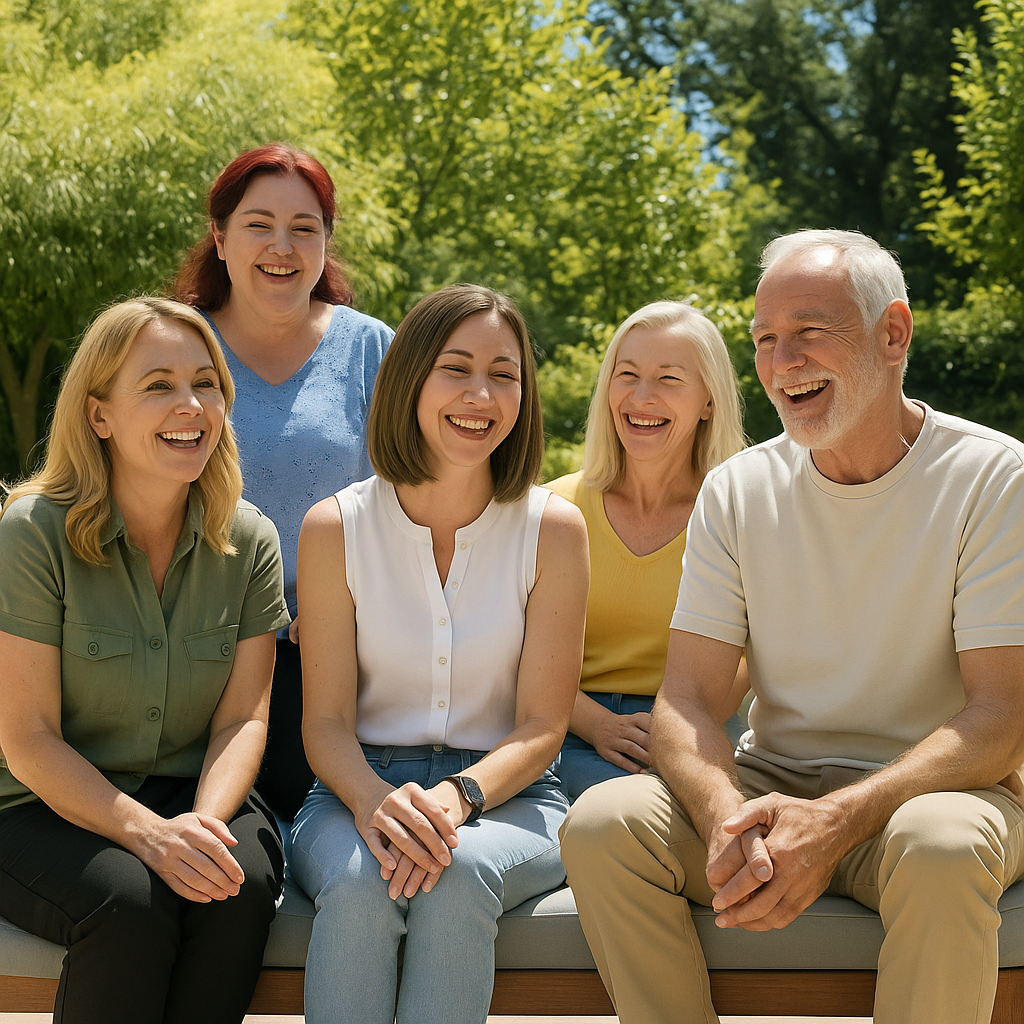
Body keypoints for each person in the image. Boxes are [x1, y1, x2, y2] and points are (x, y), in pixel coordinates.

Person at [559, 229, 1024, 1024]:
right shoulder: (738, 489)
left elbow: (999, 720)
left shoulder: (995, 477)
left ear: (894, 333)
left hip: (936, 797)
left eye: (811, 331)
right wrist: (724, 820)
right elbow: (686, 702)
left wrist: (838, 822)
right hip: (770, 789)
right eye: (766, 340)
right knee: (604, 824)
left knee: (943, 849)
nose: (782, 362)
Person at [289, 283, 589, 1024]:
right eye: (456, 368)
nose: (480, 394)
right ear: (411, 379)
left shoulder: (556, 529)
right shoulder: (334, 528)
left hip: (512, 798)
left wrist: (458, 801)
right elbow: (324, 723)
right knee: (363, 886)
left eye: (504, 374)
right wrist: (377, 804)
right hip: (354, 791)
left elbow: (543, 727)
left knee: (454, 874)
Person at [0, 298, 291, 1024]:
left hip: (196, 789)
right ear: (99, 415)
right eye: (157, 384)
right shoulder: (32, 533)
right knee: (131, 902)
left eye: (206, 383)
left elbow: (244, 720)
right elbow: (28, 736)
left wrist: (200, 824)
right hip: (39, 802)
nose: (190, 405)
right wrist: (149, 837)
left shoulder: (250, 539)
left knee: (236, 885)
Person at [174, 143, 393, 823]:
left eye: (305, 228)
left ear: (327, 241)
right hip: (189, 641)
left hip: (330, 649)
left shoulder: (373, 350)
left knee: (314, 825)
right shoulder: (173, 345)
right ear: (219, 235)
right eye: (259, 224)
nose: (283, 246)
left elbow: (410, 502)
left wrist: (341, 614)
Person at [546, 301, 746, 801]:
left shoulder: (742, 514)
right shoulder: (553, 507)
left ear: (709, 401)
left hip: (698, 732)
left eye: (668, 379)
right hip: (561, 734)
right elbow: (514, 648)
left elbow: (756, 657)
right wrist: (597, 726)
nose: (641, 397)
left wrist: (672, 731)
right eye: (627, 374)